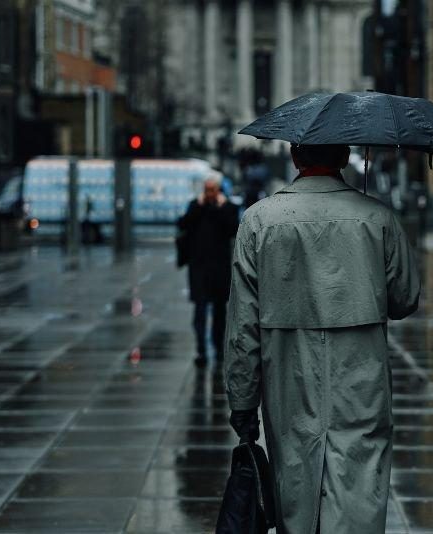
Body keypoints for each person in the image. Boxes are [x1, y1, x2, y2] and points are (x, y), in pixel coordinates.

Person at [224, 144, 420, 534]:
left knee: (296, 487)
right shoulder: (378, 218)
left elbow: (242, 328)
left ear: (296, 158)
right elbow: (405, 298)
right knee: (358, 490)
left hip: (290, 386)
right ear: (345, 157)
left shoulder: (259, 221)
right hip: (362, 386)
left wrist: (243, 402)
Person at [177, 177, 239, 366]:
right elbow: (183, 224)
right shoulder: (195, 206)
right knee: (200, 310)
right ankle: (201, 349)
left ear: (218, 190)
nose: (210, 193)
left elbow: (232, 229)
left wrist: (221, 208)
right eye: (207, 190)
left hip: (219, 268)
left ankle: (218, 348)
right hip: (199, 267)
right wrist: (199, 206)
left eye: (213, 190)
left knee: (220, 312)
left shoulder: (227, 207)